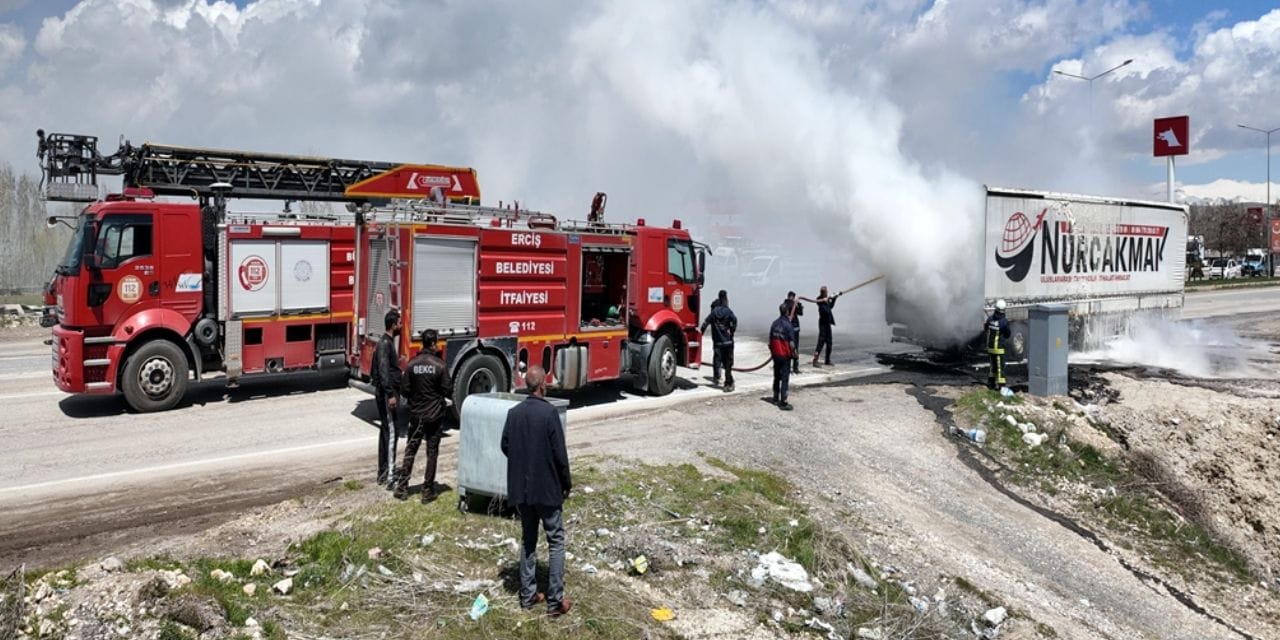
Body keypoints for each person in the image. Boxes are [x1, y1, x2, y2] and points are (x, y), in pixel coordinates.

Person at [501, 365, 573, 616]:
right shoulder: (549, 413)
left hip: (523, 490)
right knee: (555, 541)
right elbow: (560, 455)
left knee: (528, 540)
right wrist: (566, 483)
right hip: (547, 489)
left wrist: (523, 463)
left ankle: (528, 596)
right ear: (543, 385)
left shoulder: (514, 413)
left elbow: (505, 445)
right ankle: (555, 601)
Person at [394, 328, 454, 503]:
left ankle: (402, 487)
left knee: (411, 449)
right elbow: (448, 390)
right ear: (434, 343)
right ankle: (427, 490)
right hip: (434, 416)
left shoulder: (412, 364)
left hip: (416, 415)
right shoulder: (440, 365)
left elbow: (404, 390)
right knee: (432, 452)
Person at [370, 309, 402, 487]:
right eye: (399, 322)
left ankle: (384, 471)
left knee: (387, 431)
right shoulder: (384, 344)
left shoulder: (387, 343)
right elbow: (383, 371)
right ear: (393, 324)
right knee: (391, 433)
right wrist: (390, 394)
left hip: (386, 393)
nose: (401, 325)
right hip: (386, 395)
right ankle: (389, 475)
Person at [699, 290, 738, 392]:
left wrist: (701, 334)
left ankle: (717, 377)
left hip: (717, 342)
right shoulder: (728, 311)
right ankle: (728, 383)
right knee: (728, 364)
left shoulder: (714, 312)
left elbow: (705, 323)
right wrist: (732, 331)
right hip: (728, 342)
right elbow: (734, 320)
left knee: (717, 359)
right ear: (725, 299)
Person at [769, 304, 796, 410]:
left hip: (776, 355)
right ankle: (783, 402)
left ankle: (775, 397)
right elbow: (792, 343)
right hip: (784, 355)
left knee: (776, 376)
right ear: (787, 312)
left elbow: (770, 341)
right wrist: (794, 353)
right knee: (784, 378)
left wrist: (772, 351)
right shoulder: (788, 325)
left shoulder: (774, 324)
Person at [809, 286, 840, 367]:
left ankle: (827, 360)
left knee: (829, 343)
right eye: (825, 292)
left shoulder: (826, 300)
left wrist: (834, 298)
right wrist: (825, 300)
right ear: (823, 293)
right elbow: (823, 307)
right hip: (823, 324)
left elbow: (830, 307)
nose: (827, 293)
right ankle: (815, 361)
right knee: (821, 343)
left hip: (828, 324)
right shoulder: (820, 301)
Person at [985, 300, 1011, 390]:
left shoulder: (990, 319)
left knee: (993, 366)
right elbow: (1008, 334)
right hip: (999, 349)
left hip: (990, 347)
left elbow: (985, 328)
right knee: (1000, 368)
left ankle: (991, 383)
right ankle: (1001, 386)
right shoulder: (1004, 321)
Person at [782, 291, 804, 374]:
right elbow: (801, 313)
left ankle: (788, 367)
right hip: (794, 329)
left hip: (788, 329)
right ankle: (795, 368)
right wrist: (799, 305)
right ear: (792, 297)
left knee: (788, 348)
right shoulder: (792, 304)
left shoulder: (784, 305)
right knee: (794, 348)